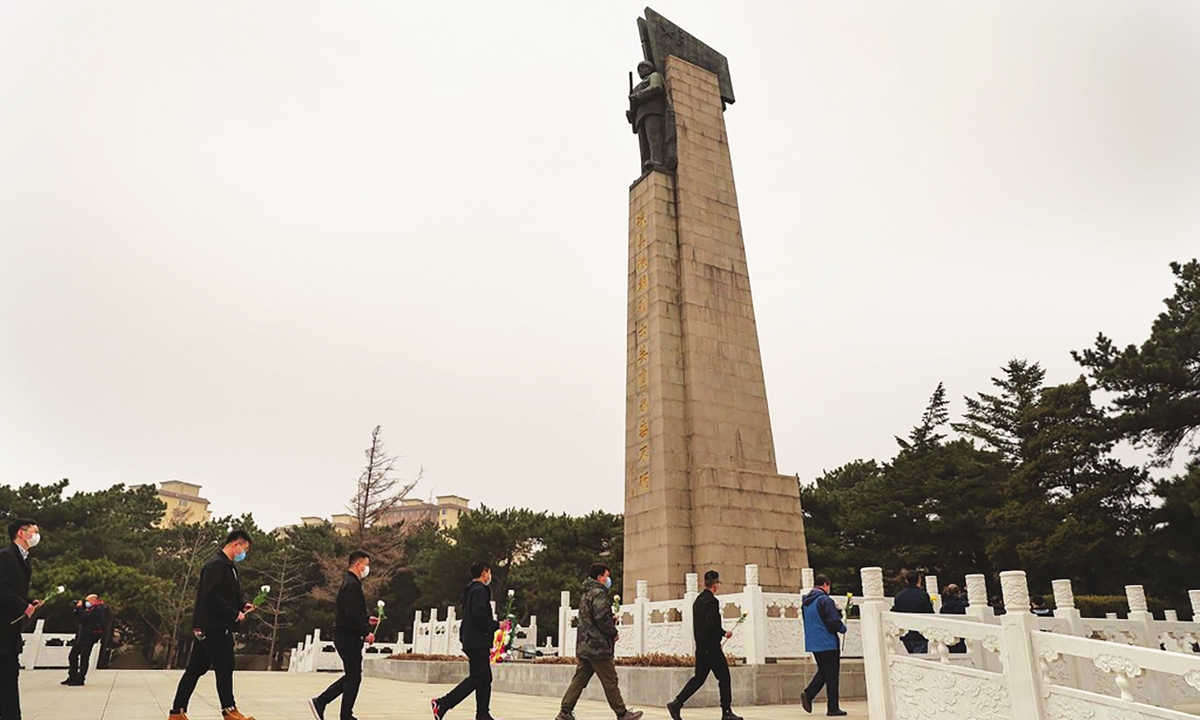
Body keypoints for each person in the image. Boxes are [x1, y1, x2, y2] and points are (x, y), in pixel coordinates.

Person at [168, 529, 256, 720]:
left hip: (213, 625)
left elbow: (226, 595)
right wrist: (233, 613)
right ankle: (229, 710)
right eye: (245, 549)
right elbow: (211, 596)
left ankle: (177, 712)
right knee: (225, 666)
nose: (244, 553)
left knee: (195, 669)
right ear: (236, 544)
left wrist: (241, 605)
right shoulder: (216, 564)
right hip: (213, 626)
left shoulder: (229, 566)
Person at [556, 563, 643, 720]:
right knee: (610, 681)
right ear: (599, 577)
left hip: (585, 645)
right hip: (598, 647)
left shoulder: (586, 593)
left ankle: (565, 711)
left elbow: (591, 617)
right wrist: (613, 632)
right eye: (607, 576)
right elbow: (601, 617)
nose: (609, 579)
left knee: (579, 680)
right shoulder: (599, 594)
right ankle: (622, 713)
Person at [310, 551, 379, 720]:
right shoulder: (351, 585)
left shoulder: (351, 582)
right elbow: (351, 614)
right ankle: (336, 710)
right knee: (354, 677)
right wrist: (366, 632)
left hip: (347, 636)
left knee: (352, 676)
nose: (367, 568)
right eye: (366, 564)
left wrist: (366, 619)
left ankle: (324, 704)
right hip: (347, 637)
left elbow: (352, 611)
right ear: (358, 565)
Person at [666, 570, 742, 720]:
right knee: (724, 677)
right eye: (718, 583)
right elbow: (711, 625)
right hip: (711, 648)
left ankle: (676, 703)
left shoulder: (698, 600)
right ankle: (726, 712)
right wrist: (723, 633)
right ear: (715, 585)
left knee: (699, 678)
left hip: (701, 648)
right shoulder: (712, 601)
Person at [432, 561, 500, 720]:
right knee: (478, 677)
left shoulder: (471, 590)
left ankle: (483, 714)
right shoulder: (479, 590)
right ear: (484, 573)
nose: (489, 576)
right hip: (477, 641)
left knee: (485, 678)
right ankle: (442, 703)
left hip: (472, 639)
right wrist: (496, 625)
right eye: (489, 572)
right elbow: (479, 615)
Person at [0, 519, 41, 720]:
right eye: (34, 531)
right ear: (21, 533)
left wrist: (28, 601)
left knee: (9, 676)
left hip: (10, 632)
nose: (37, 536)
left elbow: (14, 590)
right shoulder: (6, 556)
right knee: (7, 677)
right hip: (2, 627)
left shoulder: (24, 559)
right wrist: (21, 606)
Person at [800, 574, 847, 717]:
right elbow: (832, 620)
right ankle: (832, 707)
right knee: (831, 675)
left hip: (814, 642)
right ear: (825, 584)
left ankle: (809, 694)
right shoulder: (825, 600)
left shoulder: (806, 602)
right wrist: (842, 628)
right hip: (827, 642)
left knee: (824, 672)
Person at [63, 593, 109, 686]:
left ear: (95, 601)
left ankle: (80, 679)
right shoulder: (90, 609)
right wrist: (78, 609)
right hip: (81, 636)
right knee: (72, 656)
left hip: (88, 637)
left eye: (89, 601)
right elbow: (81, 618)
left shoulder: (99, 609)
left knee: (84, 658)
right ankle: (72, 676)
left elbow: (85, 618)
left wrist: (80, 608)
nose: (87, 603)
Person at [891, 571, 934, 654]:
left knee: (912, 655)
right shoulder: (923, 595)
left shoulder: (899, 596)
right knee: (920, 657)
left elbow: (896, 612)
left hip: (906, 633)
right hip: (920, 632)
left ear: (906, 580)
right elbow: (929, 612)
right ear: (919, 580)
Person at [938, 584, 968, 654]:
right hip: (961, 633)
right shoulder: (963, 605)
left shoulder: (943, 608)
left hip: (948, 634)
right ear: (959, 592)